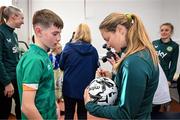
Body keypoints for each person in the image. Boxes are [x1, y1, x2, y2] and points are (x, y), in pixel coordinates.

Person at [84, 12, 159, 119]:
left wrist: (90, 106)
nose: (108, 44)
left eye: (107, 39)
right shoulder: (143, 54)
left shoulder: (134, 62)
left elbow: (125, 114)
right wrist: (113, 76)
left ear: (120, 30)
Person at [16, 9, 64, 119]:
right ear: (38, 31)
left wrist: (55, 106)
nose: (59, 38)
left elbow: (45, 88)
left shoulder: (43, 55)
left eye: (59, 33)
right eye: (55, 33)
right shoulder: (35, 60)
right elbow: (27, 106)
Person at [59, 23, 99, 120]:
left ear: (76, 33)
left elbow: (61, 66)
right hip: (85, 89)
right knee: (82, 114)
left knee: (68, 114)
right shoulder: (93, 51)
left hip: (69, 88)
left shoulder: (68, 48)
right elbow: (95, 67)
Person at [0, 6, 24, 119]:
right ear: (13, 17)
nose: (23, 22)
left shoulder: (14, 34)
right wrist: (7, 83)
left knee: (21, 108)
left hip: (16, 79)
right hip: (5, 82)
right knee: (4, 111)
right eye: (22, 18)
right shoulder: (1, 33)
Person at [152, 23, 179, 111]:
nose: (164, 32)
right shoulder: (154, 43)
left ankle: (162, 112)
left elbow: (173, 64)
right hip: (153, 72)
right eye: (162, 30)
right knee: (152, 95)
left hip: (164, 75)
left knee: (160, 98)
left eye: (166, 30)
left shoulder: (175, 46)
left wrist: (169, 79)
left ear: (171, 32)